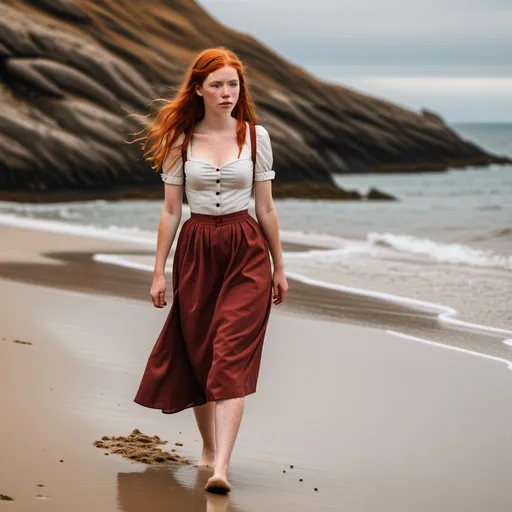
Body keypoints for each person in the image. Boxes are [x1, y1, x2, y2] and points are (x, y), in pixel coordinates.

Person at [132, 47, 288, 494]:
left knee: (230, 354)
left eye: (233, 84)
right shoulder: (180, 141)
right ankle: (206, 446)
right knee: (201, 353)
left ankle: (221, 466)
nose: (227, 93)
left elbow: (266, 207)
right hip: (197, 250)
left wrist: (280, 266)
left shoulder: (256, 137)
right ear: (198, 88)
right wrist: (159, 271)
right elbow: (169, 212)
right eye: (217, 84)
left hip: (246, 251)